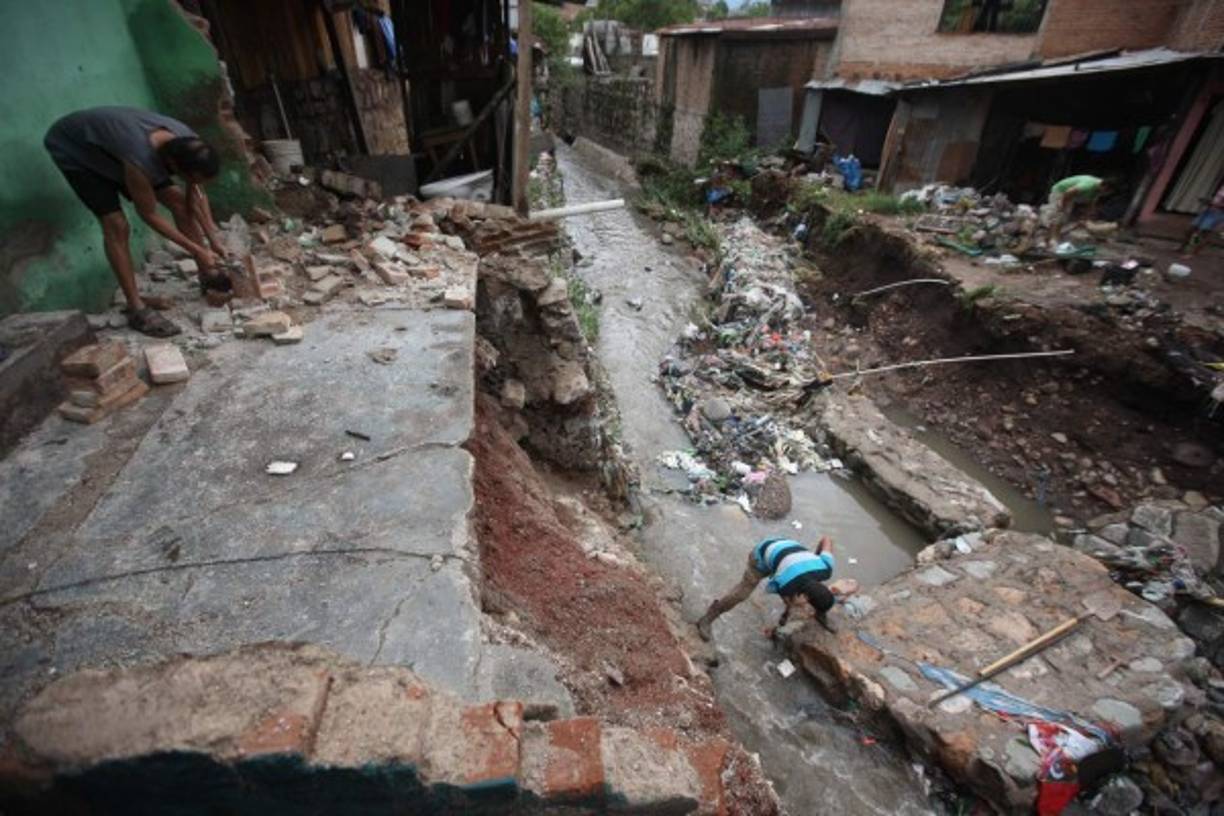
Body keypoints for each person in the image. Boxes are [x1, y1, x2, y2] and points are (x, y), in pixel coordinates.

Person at [45, 106, 231, 337]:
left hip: (117, 148)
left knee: (179, 203)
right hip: (76, 150)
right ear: (173, 166)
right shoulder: (140, 161)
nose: (192, 181)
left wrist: (213, 237)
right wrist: (196, 249)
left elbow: (195, 190)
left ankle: (207, 274)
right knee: (117, 225)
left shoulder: (189, 142)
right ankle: (137, 309)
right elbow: (149, 215)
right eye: (187, 177)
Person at [696, 535, 840, 641]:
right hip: (762, 554)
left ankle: (821, 612)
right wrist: (790, 607)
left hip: (788, 548)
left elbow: (826, 539)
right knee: (742, 593)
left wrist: (814, 557)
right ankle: (707, 618)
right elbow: (786, 596)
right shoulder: (785, 583)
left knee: (796, 595)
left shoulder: (826, 567)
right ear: (806, 597)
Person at [1041, 175, 1109, 243]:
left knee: (1064, 217)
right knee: (1058, 215)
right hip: (1061, 191)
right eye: (1106, 191)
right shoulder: (1088, 185)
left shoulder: (1098, 190)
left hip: (1071, 196)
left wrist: (1086, 217)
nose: (1105, 194)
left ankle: (1054, 236)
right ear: (1105, 187)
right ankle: (1052, 238)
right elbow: (1068, 192)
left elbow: (1091, 204)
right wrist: (1062, 205)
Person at [1181, 182, 1224, 255]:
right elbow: (1216, 198)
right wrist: (1208, 201)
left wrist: (1215, 204)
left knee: (1201, 234)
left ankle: (1192, 252)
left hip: (1217, 215)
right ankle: (1182, 247)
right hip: (1208, 211)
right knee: (1190, 230)